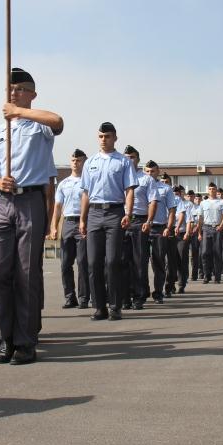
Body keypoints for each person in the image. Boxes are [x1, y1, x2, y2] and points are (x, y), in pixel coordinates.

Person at [0, 68, 63, 365]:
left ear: (32, 94)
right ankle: (4, 337)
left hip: (30, 200)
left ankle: (25, 341)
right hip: (3, 202)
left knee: (27, 274)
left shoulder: (39, 127)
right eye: (9, 89)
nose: (12, 93)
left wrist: (20, 112)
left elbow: (58, 122)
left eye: (19, 89)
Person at [79, 122, 136, 321]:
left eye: (108, 136)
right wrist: (82, 218)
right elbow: (85, 192)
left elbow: (129, 189)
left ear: (115, 138)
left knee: (112, 262)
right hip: (94, 214)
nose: (104, 140)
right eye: (101, 136)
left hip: (115, 213)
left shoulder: (123, 162)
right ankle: (99, 306)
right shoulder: (90, 162)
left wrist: (127, 213)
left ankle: (115, 306)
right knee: (93, 262)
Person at [50, 149, 90, 309]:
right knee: (65, 263)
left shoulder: (88, 182)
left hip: (83, 223)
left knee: (82, 262)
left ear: (84, 162)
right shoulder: (63, 183)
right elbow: (57, 207)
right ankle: (69, 297)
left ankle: (84, 297)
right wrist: (53, 227)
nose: (75, 163)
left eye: (79, 160)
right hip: (67, 223)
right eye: (73, 160)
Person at [122, 145, 155, 310]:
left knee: (138, 261)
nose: (129, 160)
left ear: (138, 159)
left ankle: (139, 296)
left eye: (132, 157)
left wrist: (149, 221)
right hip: (121, 222)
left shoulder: (146, 179)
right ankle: (125, 296)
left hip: (139, 221)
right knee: (121, 261)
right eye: (126, 157)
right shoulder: (118, 176)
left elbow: (152, 202)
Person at [144, 162, 176, 303]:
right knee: (139, 262)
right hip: (142, 227)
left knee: (158, 261)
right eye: (148, 171)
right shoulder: (139, 186)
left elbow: (171, 210)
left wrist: (168, 228)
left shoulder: (166, 188)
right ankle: (142, 292)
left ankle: (158, 292)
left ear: (158, 172)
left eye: (153, 171)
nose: (150, 174)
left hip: (159, 228)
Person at [196, 183, 223, 283]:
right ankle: (207, 275)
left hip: (217, 229)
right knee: (204, 253)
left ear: (216, 190)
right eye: (210, 189)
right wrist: (199, 233)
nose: (212, 190)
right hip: (206, 228)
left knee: (217, 253)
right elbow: (200, 218)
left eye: (213, 189)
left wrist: (221, 225)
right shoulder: (203, 203)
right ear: (207, 190)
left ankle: (217, 277)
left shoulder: (222, 202)